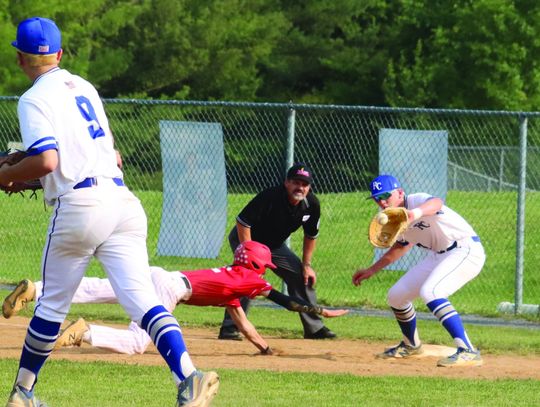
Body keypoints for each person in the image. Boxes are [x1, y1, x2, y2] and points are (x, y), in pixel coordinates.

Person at [0, 17, 218, 407]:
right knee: (144, 300)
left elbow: (48, 161)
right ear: (60, 54)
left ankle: (22, 393)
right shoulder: (84, 87)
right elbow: (108, 157)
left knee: (51, 306)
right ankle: (188, 378)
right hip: (122, 202)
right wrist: (25, 171)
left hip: (81, 208)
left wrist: (8, 174)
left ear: (20, 58)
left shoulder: (32, 99)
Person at [3, 241, 348, 355]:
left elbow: (242, 320)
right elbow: (286, 301)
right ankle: (86, 332)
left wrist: (265, 348)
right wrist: (320, 310)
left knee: (99, 288)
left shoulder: (232, 278)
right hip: (169, 288)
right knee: (140, 342)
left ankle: (37, 289)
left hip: (161, 275)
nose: (267, 272)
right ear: (257, 264)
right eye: (266, 266)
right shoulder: (249, 280)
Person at [352, 174, 486, 367]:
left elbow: (437, 203)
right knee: (396, 296)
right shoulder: (394, 220)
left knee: (432, 292)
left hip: (464, 249)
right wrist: (372, 270)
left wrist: (413, 214)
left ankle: (468, 351)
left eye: (386, 196)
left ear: (400, 193)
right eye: (377, 198)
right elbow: (401, 247)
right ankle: (411, 346)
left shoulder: (416, 200)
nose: (382, 202)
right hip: (438, 256)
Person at [219, 163, 336, 341]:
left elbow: (311, 235)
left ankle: (314, 328)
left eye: (305, 184)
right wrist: (248, 252)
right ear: (287, 183)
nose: (300, 187)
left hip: (274, 246)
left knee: (301, 275)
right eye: (296, 182)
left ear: (309, 187)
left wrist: (307, 265)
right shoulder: (270, 197)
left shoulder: (311, 204)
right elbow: (243, 222)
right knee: (247, 277)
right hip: (247, 239)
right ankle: (230, 328)